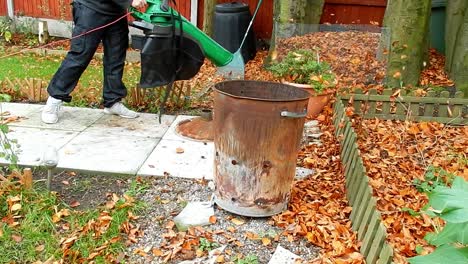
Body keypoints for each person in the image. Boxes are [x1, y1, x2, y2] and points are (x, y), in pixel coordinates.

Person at [42, 0, 147, 124]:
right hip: (91, 8)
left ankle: (112, 101)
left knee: (116, 58)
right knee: (79, 56)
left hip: (117, 11)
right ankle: (54, 100)